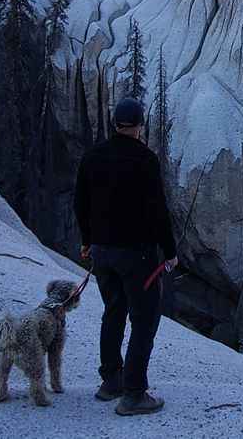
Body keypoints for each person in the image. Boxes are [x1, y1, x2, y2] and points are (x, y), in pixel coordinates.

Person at [74, 97, 178, 416]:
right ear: (138, 126)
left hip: (103, 253)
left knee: (113, 311)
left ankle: (111, 381)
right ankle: (134, 393)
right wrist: (170, 251)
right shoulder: (145, 159)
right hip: (137, 254)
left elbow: (80, 202)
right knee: (144, 319)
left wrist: (87, 241)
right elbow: (158, 209)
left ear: (114, 123)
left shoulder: (93, 157)